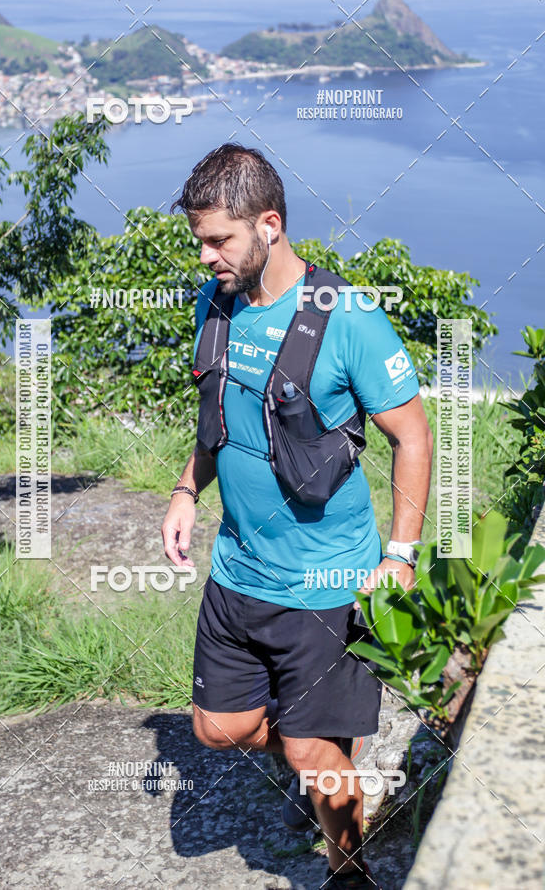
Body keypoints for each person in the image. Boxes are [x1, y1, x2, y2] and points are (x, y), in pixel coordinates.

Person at [162, 143, 433, 888]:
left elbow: (413, 435)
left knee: (312, 753)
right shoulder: (213, 304)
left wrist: (401, 554)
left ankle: (348, 867)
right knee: (220, 731)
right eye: (201, 242)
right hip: (238, 571)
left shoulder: (347, 317)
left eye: (220, 240)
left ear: (270, 224)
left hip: (323, 585)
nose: (207, 257)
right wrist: (188, 490)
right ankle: (325, 757)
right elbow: (218, 419)